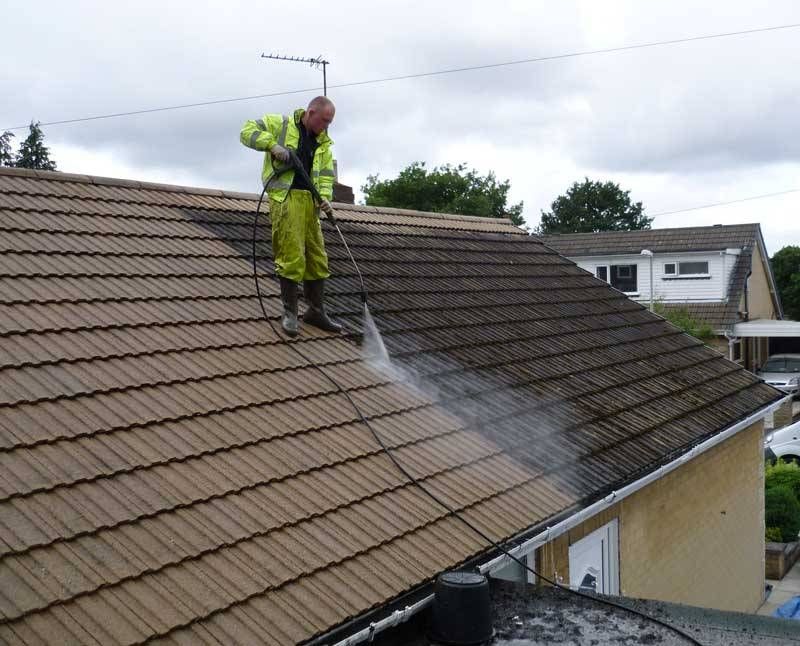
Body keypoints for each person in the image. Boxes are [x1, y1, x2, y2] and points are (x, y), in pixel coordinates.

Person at [240, 96, 341, 337]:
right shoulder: (280, 124)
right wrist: (272, 146)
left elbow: (325, 176)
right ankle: (290, 314)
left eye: (330, 123)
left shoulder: (324, 143)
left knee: (318, 258)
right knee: (291, 255)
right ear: (311, 112)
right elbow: (246, 130)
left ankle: (316, 311)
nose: (326, 126)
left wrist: (325, 197)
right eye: (324, 121)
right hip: (286, 198)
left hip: (310, 203)